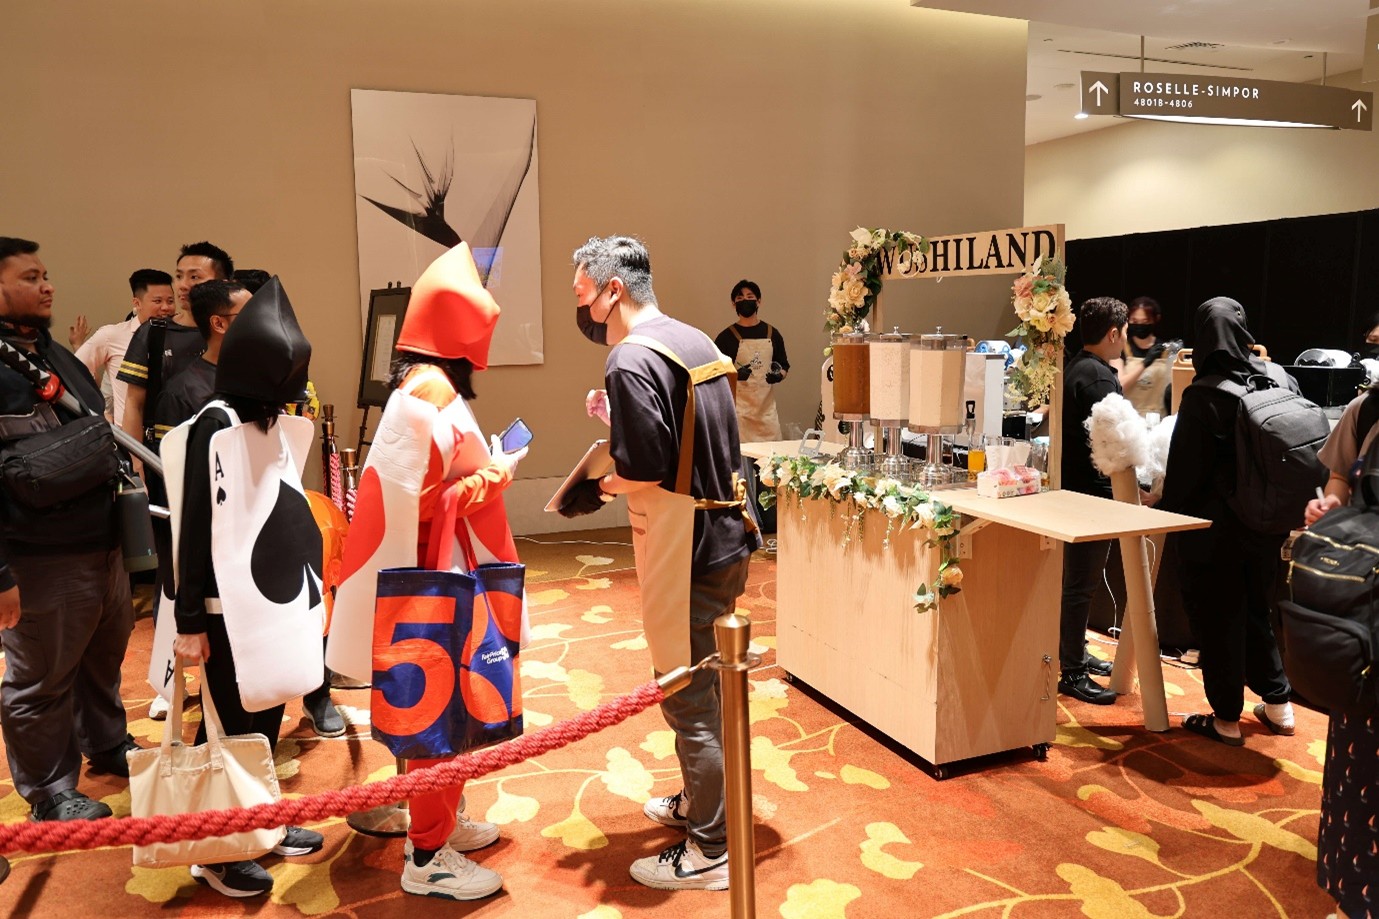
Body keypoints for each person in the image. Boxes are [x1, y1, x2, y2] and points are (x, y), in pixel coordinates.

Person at [328, 242, 525, 901]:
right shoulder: (431, 392)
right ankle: (429, 853)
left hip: (430, 574)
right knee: (440, 716)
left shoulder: (415, 386)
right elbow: (436, 499)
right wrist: (499, 472)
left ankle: (440, 824)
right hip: (434, 579)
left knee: (440, 712)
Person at [560, 235, 756, 891]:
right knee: (711, 684)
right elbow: (691, 437)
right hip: (728, 535)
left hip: (686, 549)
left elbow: (646, 465)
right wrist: (619, 419)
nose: (582, 307)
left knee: (688, 698)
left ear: (612, 288)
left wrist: (595, 485)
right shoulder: (693, 340)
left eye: (583, 293)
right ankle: (704, 802)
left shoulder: (630, 356)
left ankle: (711, 849)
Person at [168, 277, 326, 897]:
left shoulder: (267, 420)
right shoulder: (215, 424)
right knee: (227, 723)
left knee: (263, 713)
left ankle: (260, 821)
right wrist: (189, 622)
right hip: (220, 607)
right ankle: (217, 849)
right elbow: (194, 528)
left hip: (268, 601)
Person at [0, 237, 137, 820]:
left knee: (101, 658)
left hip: (101, 543)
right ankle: (49, 791)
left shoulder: (55, 355)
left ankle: (105, 743)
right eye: (31, 277)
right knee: (41, 678)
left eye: (46, 275)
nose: (47, 285)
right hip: (37, 557)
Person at [1158, 297, 1296, 746]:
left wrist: (1162, 511)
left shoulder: (1203, 394)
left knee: (1218, 619)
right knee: (1258, 610)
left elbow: (1183, 475)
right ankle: (1279, 706)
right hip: (1268, 523)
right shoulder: (1279, 377)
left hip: (1215, 532)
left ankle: (1226, 719)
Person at [1303, 396, 1379, 919]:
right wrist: (1331, 507)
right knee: (1359, 755)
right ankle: (1356, 895)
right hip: (1365, 607)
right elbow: (1340, 482)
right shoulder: (1367, 410)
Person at [1056, 297, 1129, 706]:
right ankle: (1072, 671)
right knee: (1080, 586)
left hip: (1074, 491)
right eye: (1125, 333)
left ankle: (1075, 654)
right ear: (1113, 333)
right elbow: (1114, 444)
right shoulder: (1098, 378)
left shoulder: (1076, 368)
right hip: (1091, 496)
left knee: (1077, 584)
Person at [118, 240, 232, 450]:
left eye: (194, 277)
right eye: (179, 276)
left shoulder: (231, 335)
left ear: (223, 284)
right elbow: (134, 404)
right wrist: (136, 462)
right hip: (161, 451)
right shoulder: (154, 331)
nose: (183, 285)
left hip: (221, 449)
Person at [75, 269, 175, 423]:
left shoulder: (180, 335)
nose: (166, 308)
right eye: (157, 301)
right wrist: (100, 412)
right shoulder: (112, 335)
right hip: (127, 432)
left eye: (170, 301)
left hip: (171, 430)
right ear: (137, 303)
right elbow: (74, 371)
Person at [712, 279, 788, 443]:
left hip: (767, 415)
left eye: (750, 296)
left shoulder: (772, 333)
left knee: (771, 457)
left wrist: (778, 375)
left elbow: (784, 365)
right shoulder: (725, 337)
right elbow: (715, 373)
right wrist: (734, 375)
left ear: (758, 301)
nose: (745, 300)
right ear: (733, 304)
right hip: (739, 414)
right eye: (740, 298)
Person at [1115, 296, 1173, 418]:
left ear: (1155, 319)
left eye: (1145, 322)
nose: (1140, 325)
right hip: (1128, 419)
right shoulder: (1120, 349)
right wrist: (1145, 363)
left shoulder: (1166, 350)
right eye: (1135, 321)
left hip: (1158, 419)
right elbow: (1120, 387)